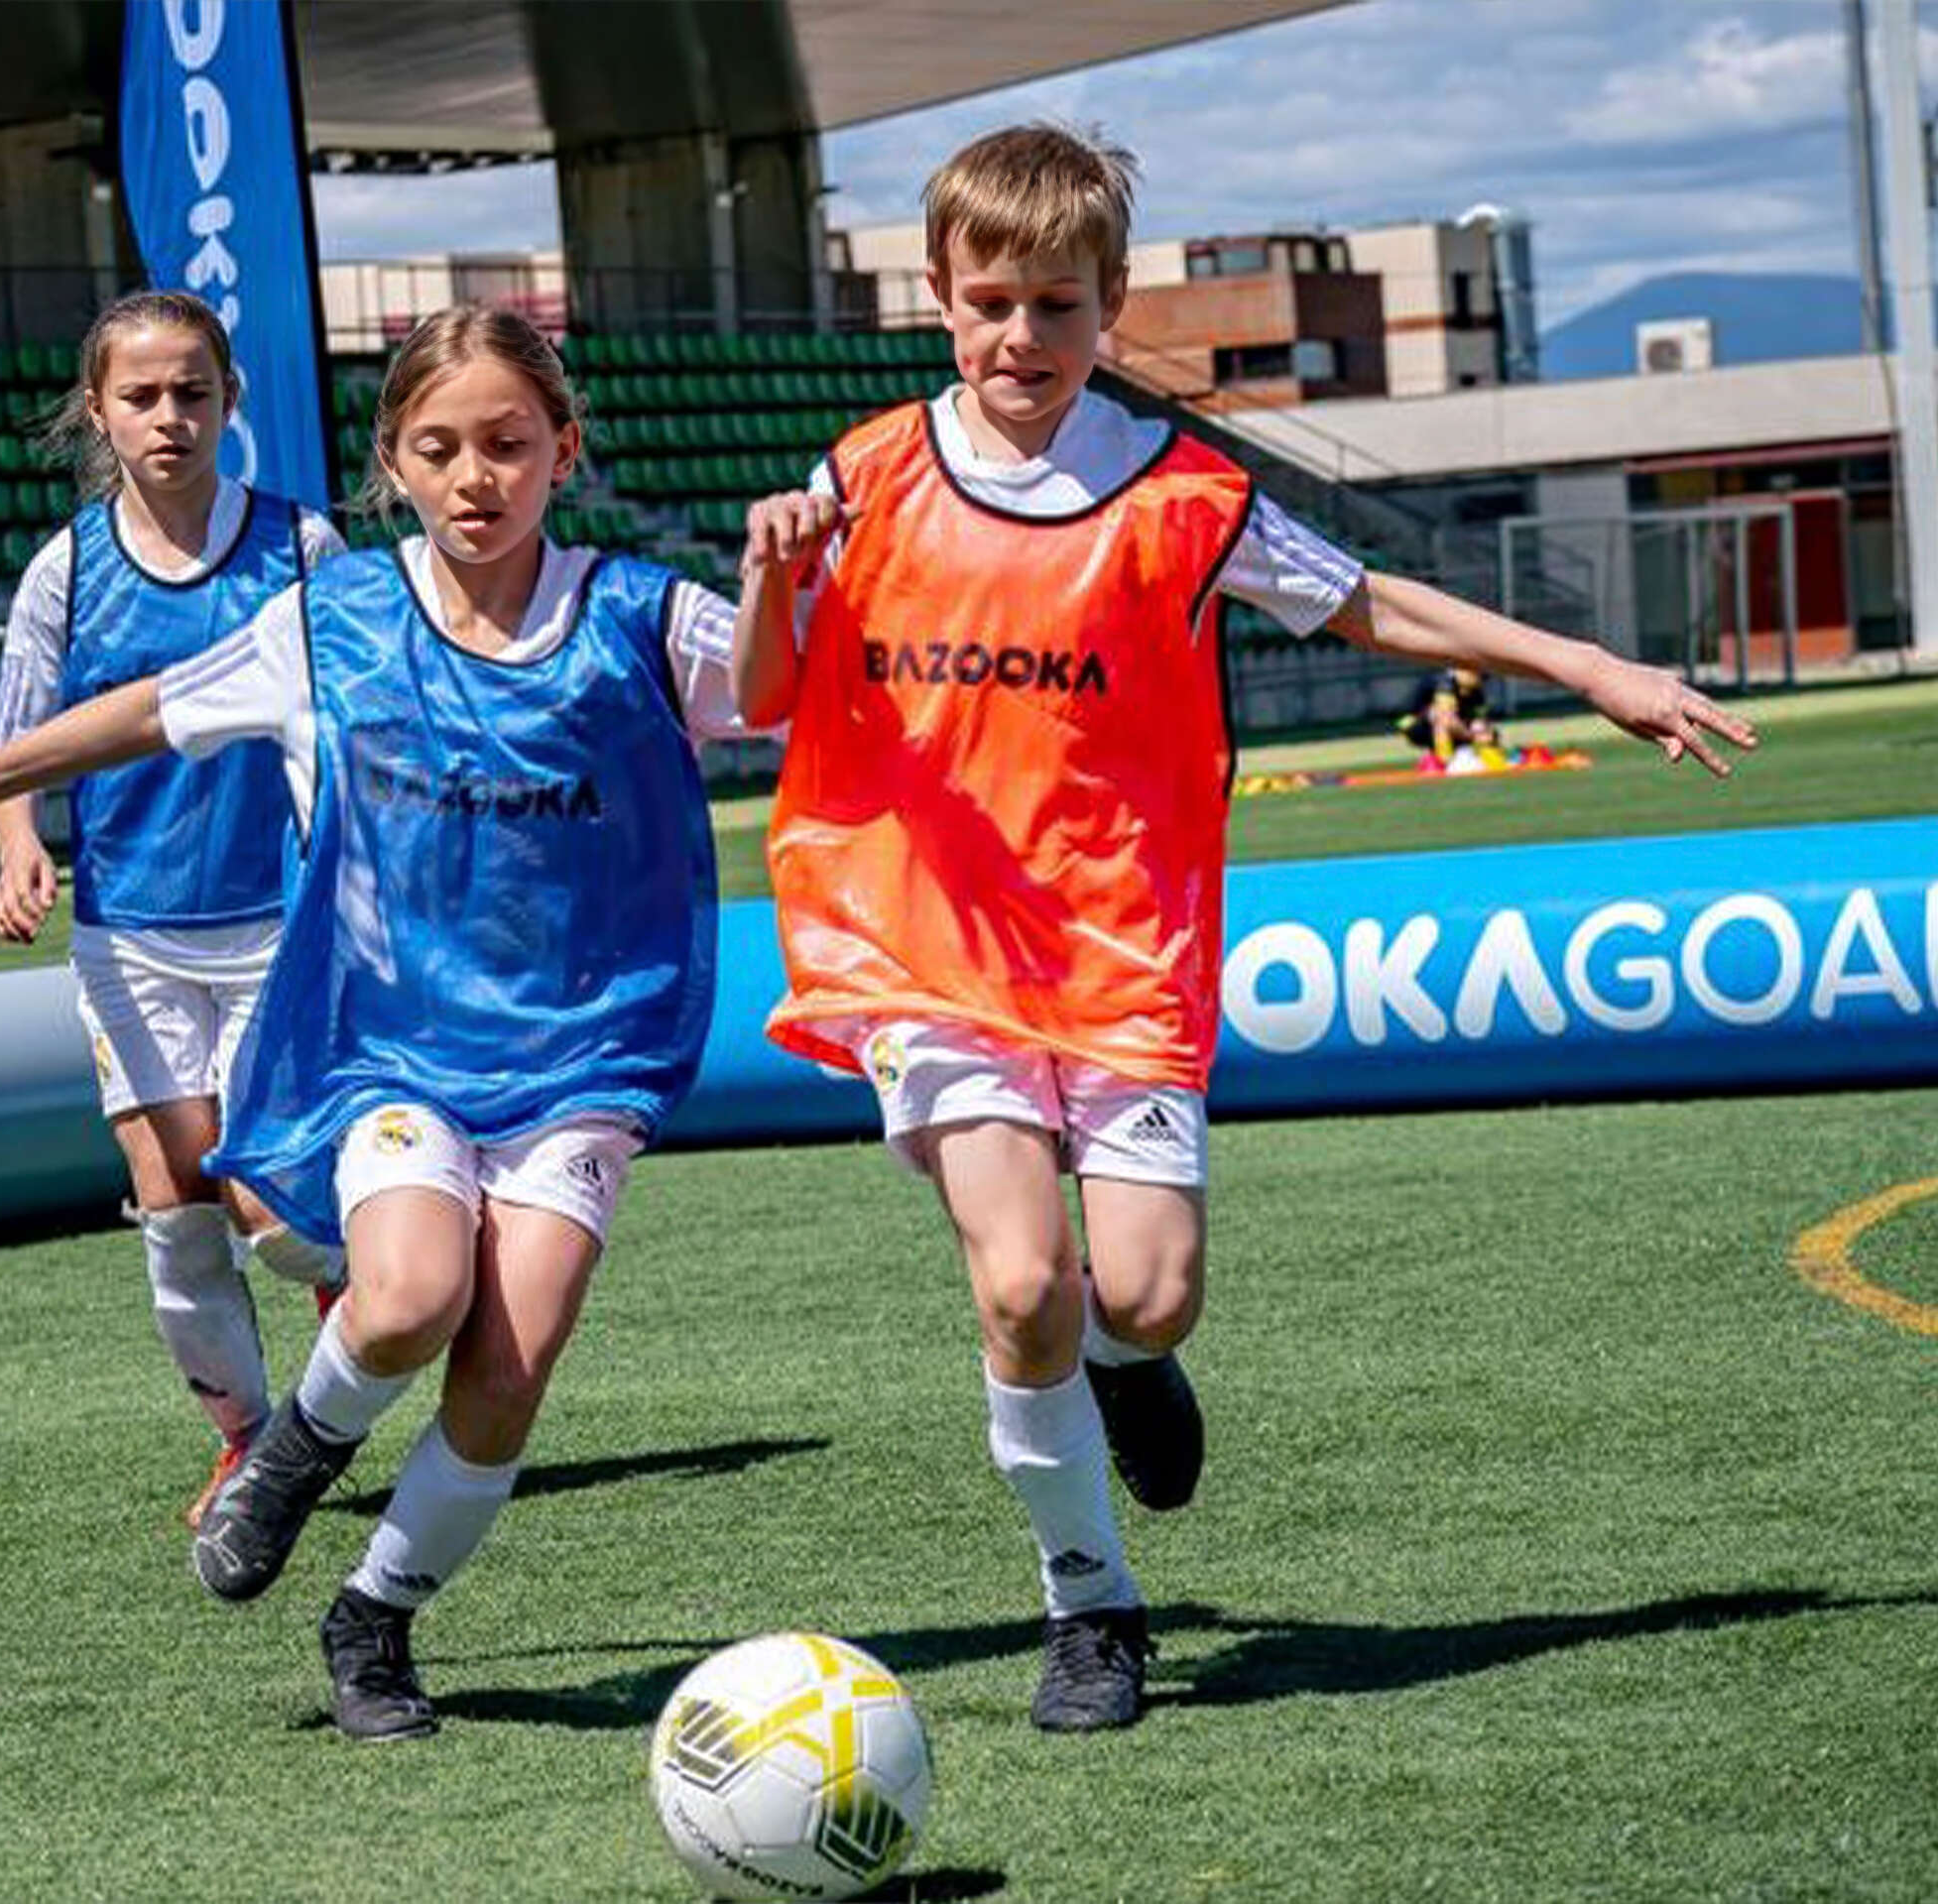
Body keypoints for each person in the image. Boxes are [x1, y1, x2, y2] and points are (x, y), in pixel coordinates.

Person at [730, 124, 1757, 1734]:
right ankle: (1091, 1605)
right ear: (936, 295)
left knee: (1143, 1295)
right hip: (928, 951)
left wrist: (1592, 668)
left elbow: (1375, 603)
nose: (1021, 338)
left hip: (1124, 952)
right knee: (1021, 1280)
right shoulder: (861, 479)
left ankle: (1127, 1362)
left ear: (1111, 306)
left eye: (1057, 307)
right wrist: (764, 578)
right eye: (991, 303)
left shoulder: (1187, 496)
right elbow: (764, 700)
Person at [0, 304, 748, 1743]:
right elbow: (147, 710)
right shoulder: (336, 619)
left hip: (581, 1057)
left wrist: (790, 579)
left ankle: (373, 1615)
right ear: (392, 462)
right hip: (387, 1044)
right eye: (439, 448)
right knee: (402, 1295)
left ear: (564, 450)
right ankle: (280, 1454)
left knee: (507, 1373)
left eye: (508, 443)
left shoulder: (639, 613)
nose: (475, 476)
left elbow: (783, 685)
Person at [0, 289, 347, 1533]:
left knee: (267, 1209)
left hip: (279, 927)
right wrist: (17, 846)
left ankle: (365, 1300)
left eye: (192, 391)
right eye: (140, 396)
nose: (169, 416)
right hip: (127, 935)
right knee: (175, 1205)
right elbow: (15, 743)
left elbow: (359, 719)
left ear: (230, 400)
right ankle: (247, 1441)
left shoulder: (303, 548)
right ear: (99, 413)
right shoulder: (66, 569)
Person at [1397, 664, 1507, 768]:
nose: (1480, 679)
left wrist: (1484, 733)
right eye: (1478, 675)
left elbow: (1479, 720)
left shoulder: (1476, 692)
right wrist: (1471, 736)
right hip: (1415, 725)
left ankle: (1493, 763)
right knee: (1441, 718)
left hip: (1450, 725)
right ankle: (1445, 764)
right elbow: (1446, 718)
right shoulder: (1443, 682)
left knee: (1482, 729)